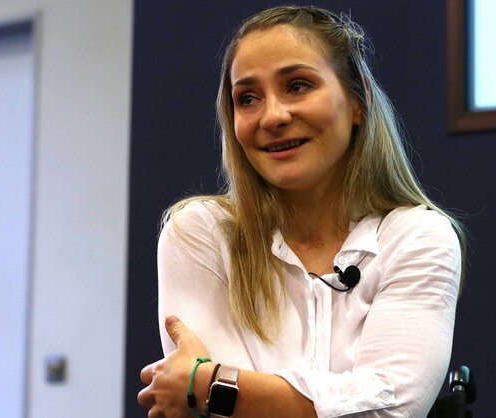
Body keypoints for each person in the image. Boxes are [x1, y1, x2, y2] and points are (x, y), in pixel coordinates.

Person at [137, 5, 465, 418]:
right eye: (248, 98)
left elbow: (394, 408)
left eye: (297, 85)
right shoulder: (199, 234)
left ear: (357, 100)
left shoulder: (418, 236)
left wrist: (207, 386)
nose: (272, 116)